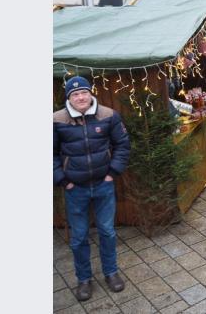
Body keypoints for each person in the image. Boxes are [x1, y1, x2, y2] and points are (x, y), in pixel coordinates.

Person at [53, 77, 130, 301]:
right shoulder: (56, 121)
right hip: (74, 188)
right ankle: (84, 279)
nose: (80, 97)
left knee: (107, 231)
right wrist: (63, 180)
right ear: (69, 97)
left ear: (90, 94)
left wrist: (111, 173)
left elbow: (123, 145)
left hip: (103, 185)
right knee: (78, 237)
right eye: (75, 94)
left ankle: (111, 272)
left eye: (84, 93)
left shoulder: (108, 115)